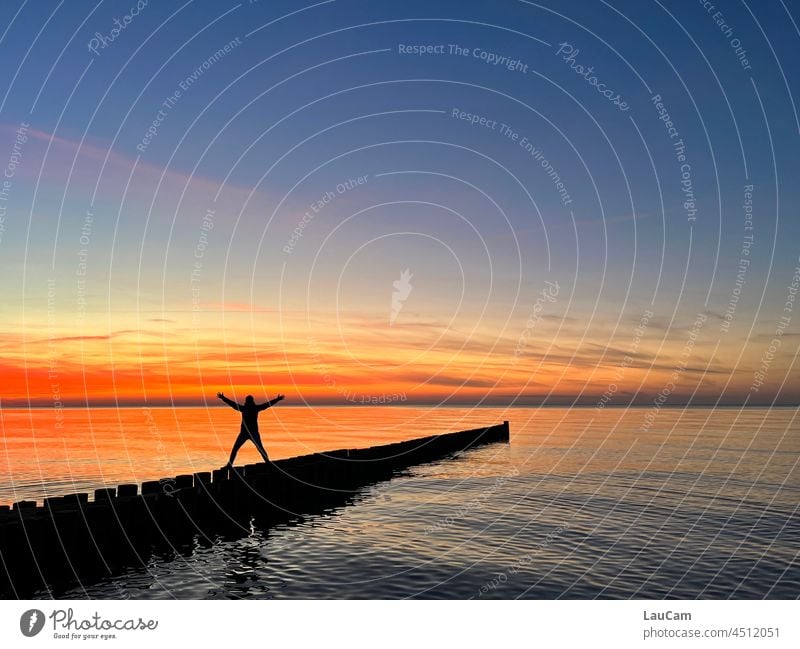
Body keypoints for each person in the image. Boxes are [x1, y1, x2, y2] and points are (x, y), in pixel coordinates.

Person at [217, 391, 284, 467]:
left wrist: (223, 398)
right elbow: (267, 405)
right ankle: (267, 462)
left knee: (238, 449)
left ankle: (230, 464)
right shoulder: (254, 408)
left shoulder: (244, 408)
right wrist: (277, 399)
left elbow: (233, 404)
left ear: (246, 401)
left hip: (248, 433)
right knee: (258, 449)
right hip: (248, 433)